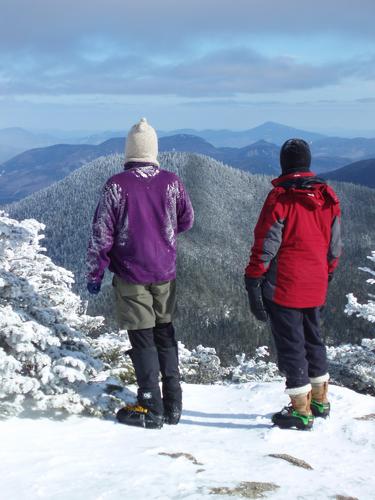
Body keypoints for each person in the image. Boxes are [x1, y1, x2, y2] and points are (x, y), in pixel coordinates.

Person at [86, 118, 194, 429]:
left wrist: (96, 274)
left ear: (129, 152)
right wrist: (165, 235)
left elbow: (101, 236)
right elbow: (187, 219)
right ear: (153, 151)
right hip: (165, 271)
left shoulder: (117, 185)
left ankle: (150, 405)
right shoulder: (171, 181)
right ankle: (174, 403)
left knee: (143, 336)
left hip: (131, 273)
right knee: (165, 331)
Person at [244, 138, 341, 430]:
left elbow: (265, 244)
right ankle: (321, 401)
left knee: (291, 346)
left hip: (284, 285)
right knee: (314, 339)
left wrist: (253, 278)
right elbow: (335, 246)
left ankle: (300, 410)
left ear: (284, 164)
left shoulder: (280, 198)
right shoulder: (327, 196)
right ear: (308, 162)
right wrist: (328, 272)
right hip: (316, 283)